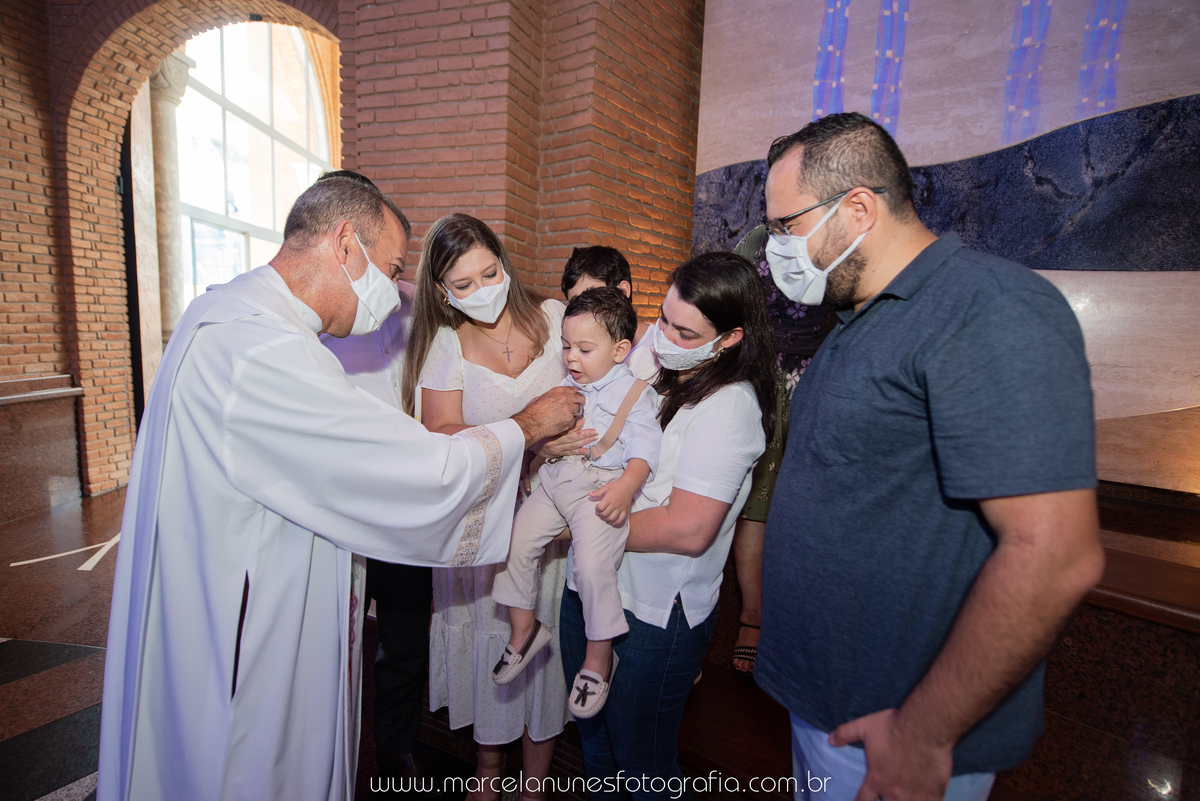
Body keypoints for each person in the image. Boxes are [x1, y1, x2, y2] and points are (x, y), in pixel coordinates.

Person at [97, 178, 581, 801]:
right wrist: (527, 427)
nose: (395, 288)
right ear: (345, 244)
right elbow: (411, 468)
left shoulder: (229, 315)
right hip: (253, 632)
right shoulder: (264, 351)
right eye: (392, 268)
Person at [754, 112, 1104, 801]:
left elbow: (1054, 553)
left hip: (893, 733)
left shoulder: (988, 307)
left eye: (785, 227)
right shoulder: (859, 317)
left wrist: (924, 732)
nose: (774, 251)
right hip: (830, 708)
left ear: (857, 209)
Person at [560, 251, 776, 799]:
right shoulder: (653, 368)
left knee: (643, 765)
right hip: (591, 584)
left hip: (654, 611)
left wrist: (580, 529)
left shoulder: (730, 405)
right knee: (595, 744)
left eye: (684, 332)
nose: (663, 337)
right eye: (662, 319)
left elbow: (688, 528)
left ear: (728, 339)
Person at [403, 213, 571, 801]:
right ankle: (487, 770)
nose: (481, 289)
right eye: (463, 284)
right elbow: (441, 430)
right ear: (442, 292)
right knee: (490, 634)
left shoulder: (553, 319)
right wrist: (525, 437)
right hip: (485, 520)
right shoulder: (446, 343)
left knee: (542, 631)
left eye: (489, 272)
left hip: (553, 520)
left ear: (504, 261)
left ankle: (535, 780)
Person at [316, 168, 437, 787]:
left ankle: (394, 745)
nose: (388, 281)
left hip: (404, 495)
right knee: (331, 637)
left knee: (405, 635)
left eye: (392, 270)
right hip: (337, 502)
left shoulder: (405, 305)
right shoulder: (310, 322)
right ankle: (330, 748)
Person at [492, 287, 662, 721]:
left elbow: (645, 447)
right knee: (511, 542)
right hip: (556, 480)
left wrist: (627, 485)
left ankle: (599, 655)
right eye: (567, 346)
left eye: (585, 349)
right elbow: (544, 437)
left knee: (590, 566)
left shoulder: (635, 392)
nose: (571, 357)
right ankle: (525, 630)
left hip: (599, 488)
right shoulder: (565, 385)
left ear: (621, 349)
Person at [728, 214, 839, 675]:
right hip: (761, 370)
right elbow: (727, 295)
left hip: (824, 367)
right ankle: (752, 614)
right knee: (756, 496)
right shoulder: (755, 242)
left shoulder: (838, 239)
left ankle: (806, 621)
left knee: (812, 495)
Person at [560, 245, 658, 381]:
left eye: (593, 298)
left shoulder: (658, 351)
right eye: (576, 303)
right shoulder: (572, 350)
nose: (584, 310)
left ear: (623, 291)